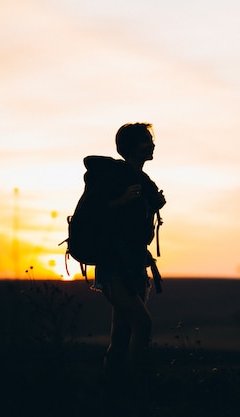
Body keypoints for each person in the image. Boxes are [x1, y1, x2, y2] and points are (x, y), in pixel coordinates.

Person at [81, 122, 165, 405]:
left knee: (121, 336)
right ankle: (139, 393)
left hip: (135, 266)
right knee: (143, 323)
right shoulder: (115, 177)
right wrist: (121, 201)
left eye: (150, 140)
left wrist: (154, 203)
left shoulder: (144, 181)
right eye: (144, 141)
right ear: (130, 146)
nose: (151, 145)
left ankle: (109, 397)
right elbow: (89, 214)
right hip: (113, 265)